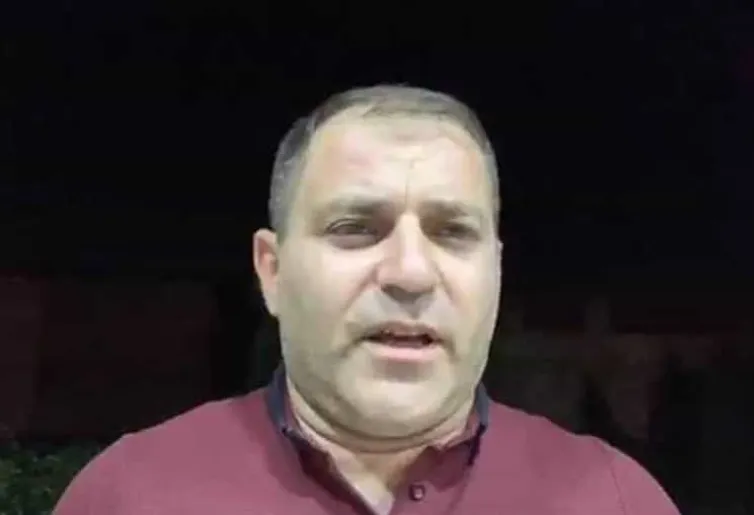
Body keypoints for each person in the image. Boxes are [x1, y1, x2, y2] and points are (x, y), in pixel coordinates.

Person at [53, 84, 679, 514]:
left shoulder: (615, 500)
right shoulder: (131, 494)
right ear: (272, 271)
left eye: (451, 232)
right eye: (355, 229)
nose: (410, 272)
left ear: (495, 269)